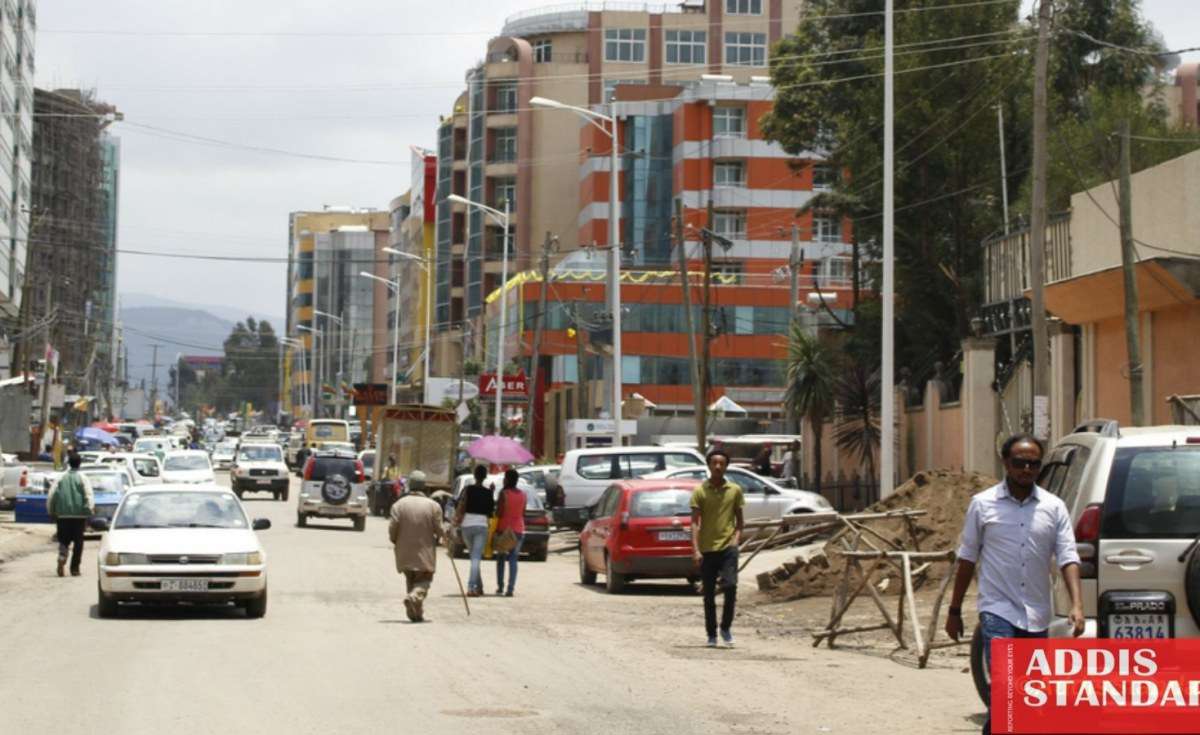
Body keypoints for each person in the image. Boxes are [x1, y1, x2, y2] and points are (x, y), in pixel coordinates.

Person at [945, 433, 1085, 735]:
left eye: (1034, 464)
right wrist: (954, 610)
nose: (1026, 469)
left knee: (1030, 691)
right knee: (1005, 683)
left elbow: (1068, 557)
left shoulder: (1054, 507)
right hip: (997, 610)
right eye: (1020, 463)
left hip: (1037, 612)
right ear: (1006, 463)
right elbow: (967, 558)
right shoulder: (982, 505)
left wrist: (1077, 604)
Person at [690, 449, 745, 648]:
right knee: (709, 594)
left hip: (728, 547)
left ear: (726, 466)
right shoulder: (700, 491)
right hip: (707, 548)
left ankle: (726, 628)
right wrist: (695, 549)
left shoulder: (735, 490)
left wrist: (735, 540)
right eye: (714, 463)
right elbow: (694, 523)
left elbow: (740, 521)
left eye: (722, 463)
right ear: (709, 465)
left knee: (730, 586)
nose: (718, 467)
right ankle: (711, 634)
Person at [387, 470, 445, 622]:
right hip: (425, 552)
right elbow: (439, 529)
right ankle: (413, 597)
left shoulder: (398, 505)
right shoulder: (433, 506)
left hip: (404, 552)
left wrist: (395, 541)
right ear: (423, 486)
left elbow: (392, 528)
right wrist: (446, 538)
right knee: (424, 581)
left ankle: (415, 614)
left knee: (411, 580)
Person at [46, 451, 95, 578]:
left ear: (68, 463)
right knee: (78, 543)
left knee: (63, 540)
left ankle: (62, 556)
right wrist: (90, 510)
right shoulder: (83, 478)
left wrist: (51, 511)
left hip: (62, 515)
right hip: (79, 517)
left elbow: (51, 495)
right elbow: (89, 495)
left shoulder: (61, 477)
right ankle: (75, 569)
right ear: (80, 464)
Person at [453, 465, 494, 597]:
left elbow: (458, 504)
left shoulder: (467, 489)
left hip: (466, 526)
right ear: (485, 477)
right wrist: (492, 493)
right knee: (476, 558)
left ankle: (479, 586)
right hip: (481, 526)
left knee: (474, 558)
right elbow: (490, 513)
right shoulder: (488, 492)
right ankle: (472, 587)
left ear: (474, 475)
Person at [494, 469, 527, 597]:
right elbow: (523, 512)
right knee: (513, 559)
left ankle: (500, 586)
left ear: (506, 479)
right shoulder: (523, 494)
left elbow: (499, 512)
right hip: (518, 529)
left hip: (504, 530)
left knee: (501, 558)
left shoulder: (504, 494)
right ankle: (510, 588)